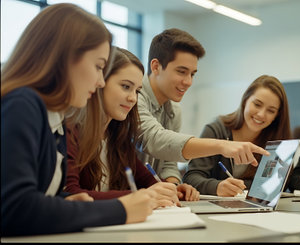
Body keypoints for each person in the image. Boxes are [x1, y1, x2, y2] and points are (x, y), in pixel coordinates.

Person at [1, 4, 159, 236]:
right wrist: (120, 210)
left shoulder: (53, 118)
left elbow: (41, 197)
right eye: (98, 67)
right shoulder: (22, 104)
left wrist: (69, 202)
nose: (100, 82)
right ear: (64, 58)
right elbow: (15, 208)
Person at [64, 47, 199, 203]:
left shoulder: (118, 138)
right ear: (100, 82)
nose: (133, 98)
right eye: (126, 87)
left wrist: (172, 190)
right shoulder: (69, 132)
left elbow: (149, 183)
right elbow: (71, 193)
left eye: (137, 91)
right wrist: (142, 195)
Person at [135, 28, 269, 184]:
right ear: (156, 66)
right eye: (181, 71)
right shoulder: (134, 97)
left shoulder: (174, 111)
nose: (188, 82)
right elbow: (155, 139)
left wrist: (175, 186)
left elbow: (169, 162)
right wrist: (222, 146)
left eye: (192, 74)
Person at [182, 75, 292, 196]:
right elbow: (191, 177)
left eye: (271, 111)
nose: (261, 114)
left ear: (277, 116)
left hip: (255, 211)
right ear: (245, 101)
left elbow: (277, 185)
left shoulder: (277, 141)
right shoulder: (215, 131)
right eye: (257, 104)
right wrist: (217, 187)